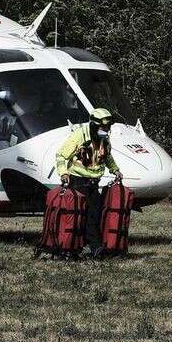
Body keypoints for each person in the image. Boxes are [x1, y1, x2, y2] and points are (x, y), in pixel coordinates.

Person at [55, 108, 123, 257]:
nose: (106, 130)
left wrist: (115, 170)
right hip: (78, 182)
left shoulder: (104, 139)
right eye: (103, 127)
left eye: (108, 127)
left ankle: (86, 246)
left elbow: (107, 156)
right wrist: (63, 173)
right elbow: (61, 155)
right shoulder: (79, 136)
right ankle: (93, 247)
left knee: (95, 214)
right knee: (83, 216)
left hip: (93, 183)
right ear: (94, 125)